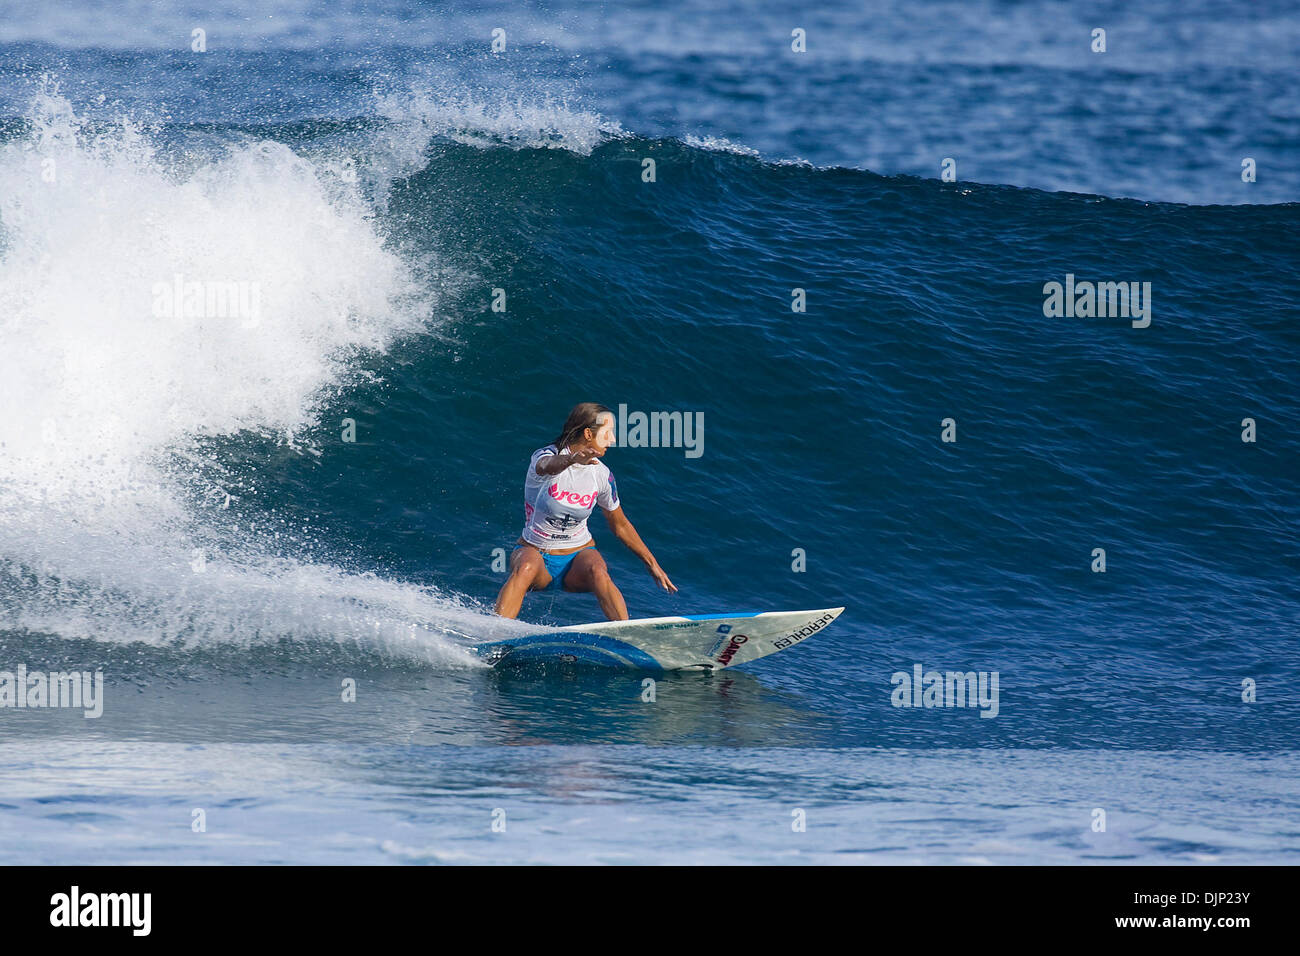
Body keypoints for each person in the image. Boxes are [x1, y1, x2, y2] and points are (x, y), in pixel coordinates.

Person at [494, 402, 676, 620]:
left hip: (576, 562)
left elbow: (620, 524)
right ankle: (496, 633)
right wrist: (572, 460)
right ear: (589, 434)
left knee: (598, 570)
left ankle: (626, 635)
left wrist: (652, 563)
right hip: (536, 555)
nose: (613, 440)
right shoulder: (543, 456)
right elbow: (548, 466)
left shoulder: (601, 474)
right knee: (525, 566)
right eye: (608, 433)